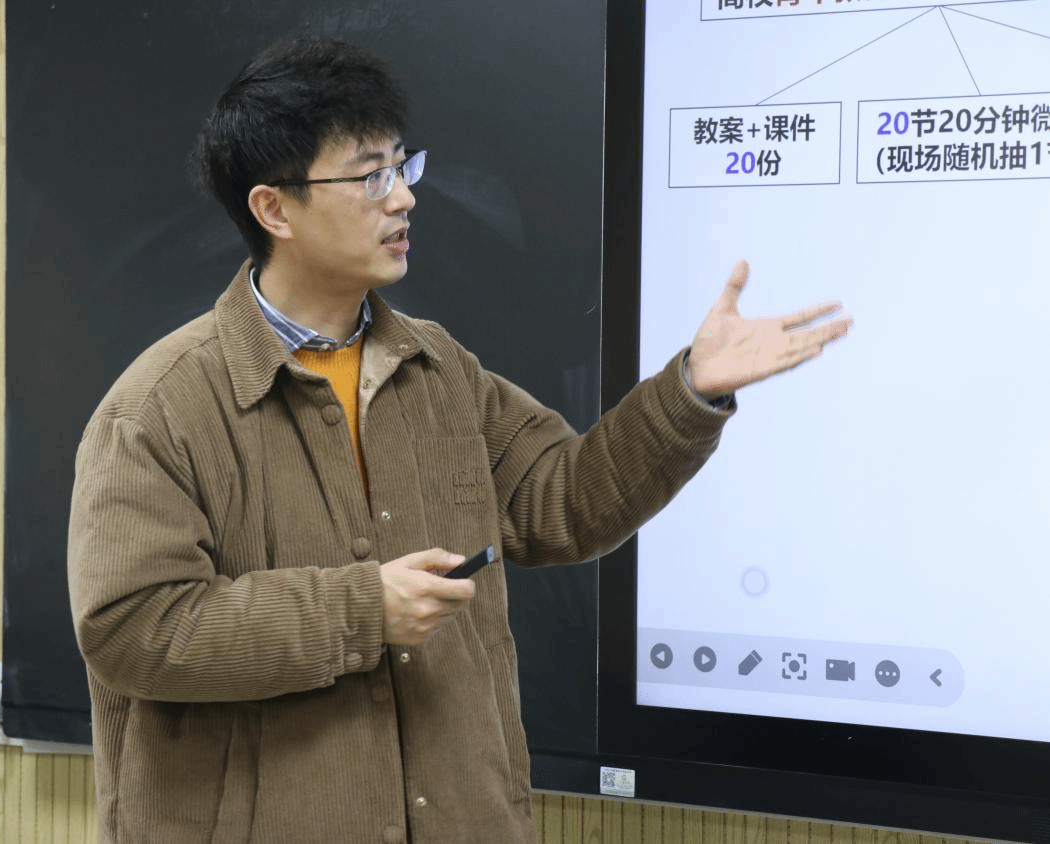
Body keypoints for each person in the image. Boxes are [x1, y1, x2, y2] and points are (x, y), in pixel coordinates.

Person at [66, 36, 852, 844]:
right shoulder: (160, 410)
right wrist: (360, 610)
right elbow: (133, 630)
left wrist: (691, 389)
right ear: (275, 210)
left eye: (403, 166)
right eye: (370, 177)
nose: (405, 198)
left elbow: (565, 503)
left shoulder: (437, 368)